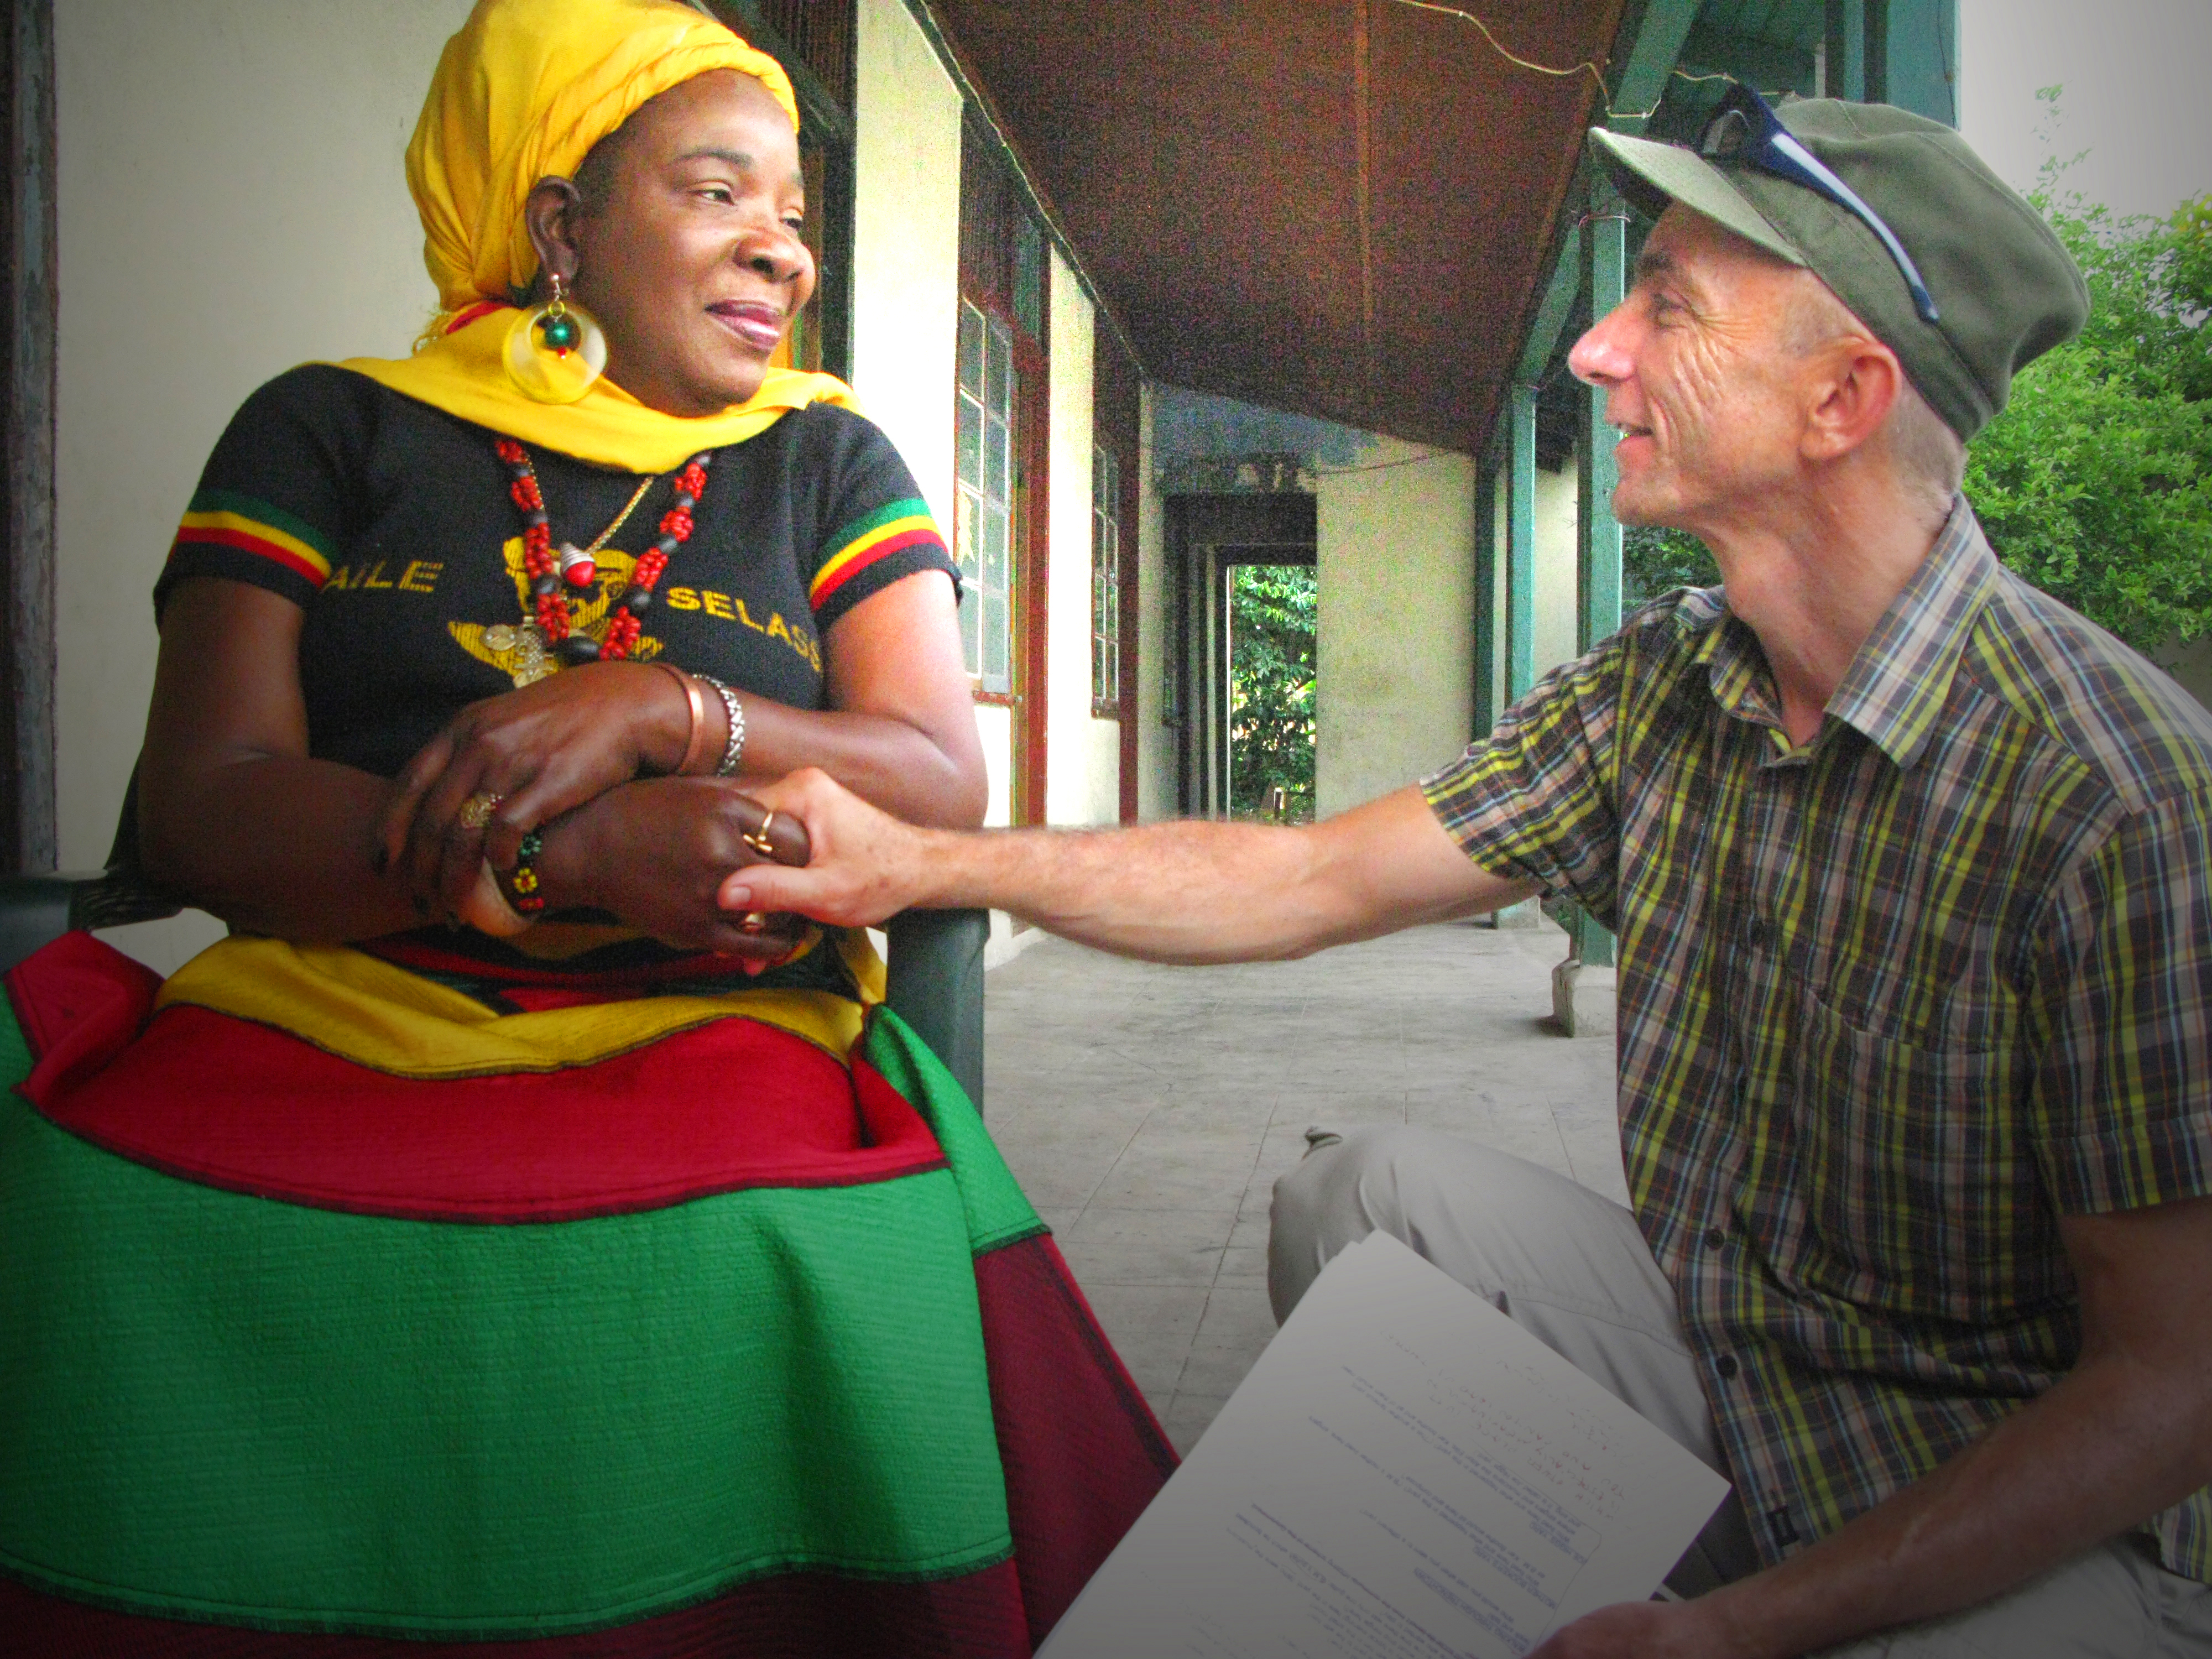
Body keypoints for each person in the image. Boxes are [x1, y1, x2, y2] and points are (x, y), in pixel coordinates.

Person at [729, 91, 2212, 1657]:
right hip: (1734, 1369)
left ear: (1842, 398)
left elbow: (2171, 1388)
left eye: (1670, 308)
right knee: (1367, 1198)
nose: (1597, 350)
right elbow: (1301, 877)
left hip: (1986, 1497)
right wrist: (925, 858)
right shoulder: (1665, 687)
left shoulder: (2111, 799)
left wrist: (1745, 1632)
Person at [0, 1, 1171, 1650]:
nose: (785, 254)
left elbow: (930, 771)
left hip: (724, 1017)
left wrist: (674, 707)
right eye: (718, 195)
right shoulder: (331, 427)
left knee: (775, 1235)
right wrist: (556, 861)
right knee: (109, 1207)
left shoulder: (826, 463)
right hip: (335, 998)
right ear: (561, 226)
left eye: (797, 216)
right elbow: (204, 805)